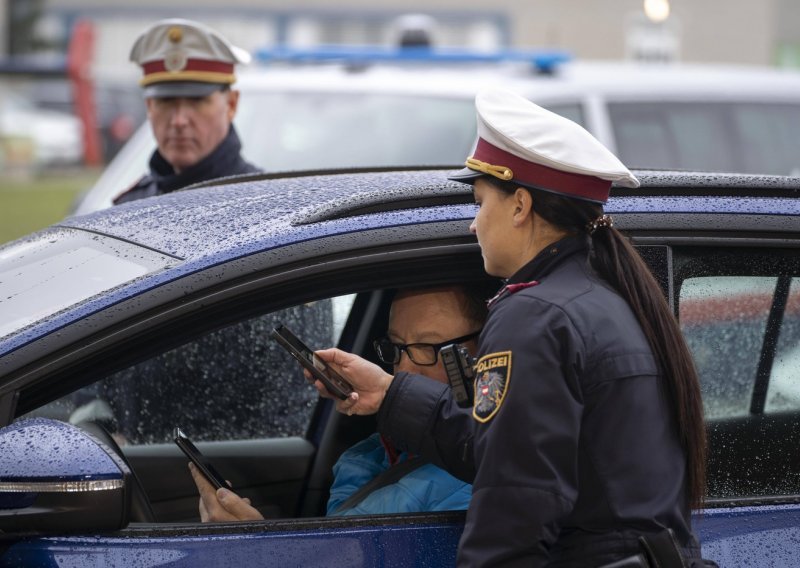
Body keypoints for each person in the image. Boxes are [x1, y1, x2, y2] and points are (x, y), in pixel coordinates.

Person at [310, 89, 713, 567]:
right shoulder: (597, 298)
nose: (473, 225)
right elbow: (511, 448)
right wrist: (391, 393)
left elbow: (515, 506)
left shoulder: (535, 315)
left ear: (520, 205)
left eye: (480, 204)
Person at [189, 284, 489, 521]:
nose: (404, 370)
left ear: (485, 351)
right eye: (396, 347)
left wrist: (256, 550)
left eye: (425, 348)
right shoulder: (373, 454)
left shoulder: (487, 478)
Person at [114, 18, 260, 204]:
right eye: (165, 101)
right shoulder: (128, 208)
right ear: (149, 106)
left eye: (196, 101)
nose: (179, 121)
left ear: (231, 104)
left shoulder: (263, 205)